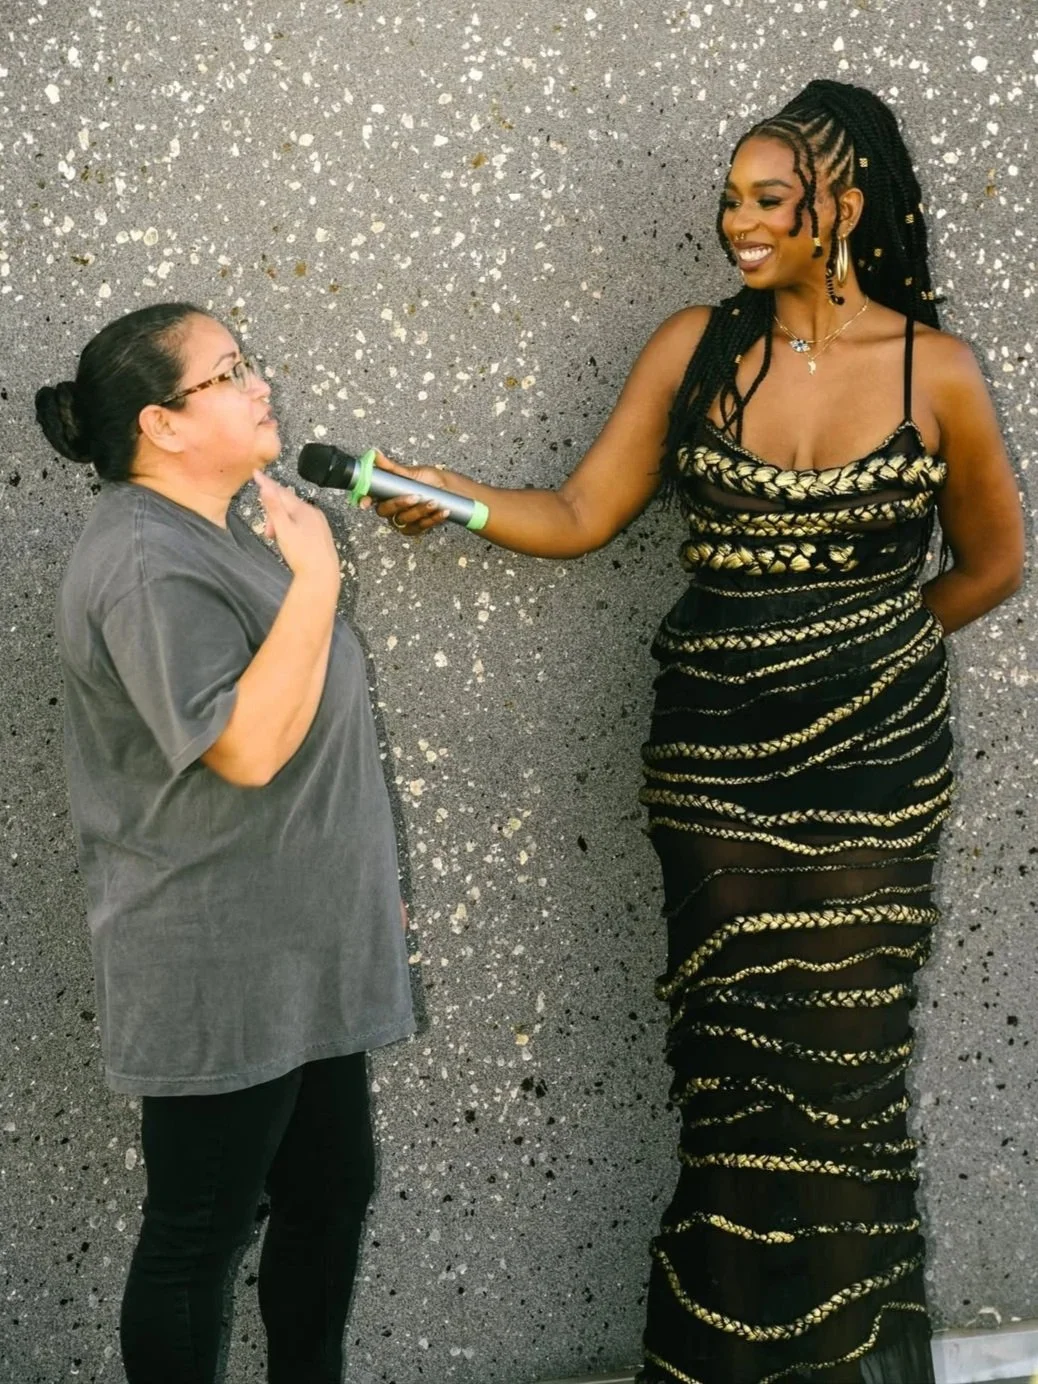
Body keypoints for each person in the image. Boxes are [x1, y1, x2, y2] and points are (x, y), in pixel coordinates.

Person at [368, 80, 1024, 1383]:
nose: (735, 221)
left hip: (872, 780)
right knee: (733, 1097)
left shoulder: (933, 372)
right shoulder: (693, 348)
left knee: (839, 1094)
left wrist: (865, 661)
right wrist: (460, 502)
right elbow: (577, 512)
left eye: (764, 199)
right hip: (714, 764)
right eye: (728, 198)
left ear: (839, 206)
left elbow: (993, 564)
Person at [35, 303, 415, 1384]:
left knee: (327, 1194)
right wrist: (322, 581)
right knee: (199, 1230)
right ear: (161, 421)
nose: (260, 383)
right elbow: (243, 748)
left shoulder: (212, 536)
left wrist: (359, 882)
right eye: (230, 371)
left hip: (300, 943)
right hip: (217, 958)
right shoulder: (148, 561)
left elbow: (297, 731)